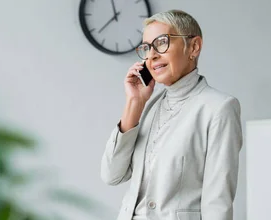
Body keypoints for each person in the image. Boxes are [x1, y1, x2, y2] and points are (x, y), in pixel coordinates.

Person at [100, 9, 243, 220]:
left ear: (194, 47)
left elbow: (218, 202)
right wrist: (135, 102)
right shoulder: (148, 107)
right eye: (147, 48)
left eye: (161, 43)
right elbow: (112, 175)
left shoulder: (219, 108)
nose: (152, 55)